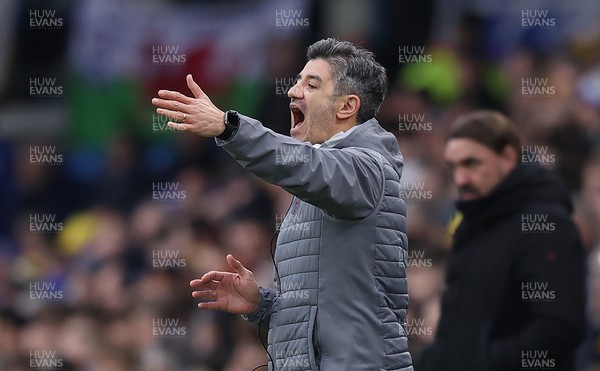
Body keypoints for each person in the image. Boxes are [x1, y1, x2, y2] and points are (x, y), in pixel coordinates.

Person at [151, 38, 413, 371]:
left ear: (346, 107)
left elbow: (302, 165)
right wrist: (261, 303)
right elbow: (319, 309)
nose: (292, 90)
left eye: (311, 84)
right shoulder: (321, 175)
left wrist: (229, 127)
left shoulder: (366, 167)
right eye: (297, 80)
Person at [420, 111, 586, 371]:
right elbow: (456, 327)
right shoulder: (472, 223)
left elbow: (558, 328)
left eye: (471, 163)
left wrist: (485, 362)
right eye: (453, 167)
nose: (460, 179)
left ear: (508, 157)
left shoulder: (547, 225)